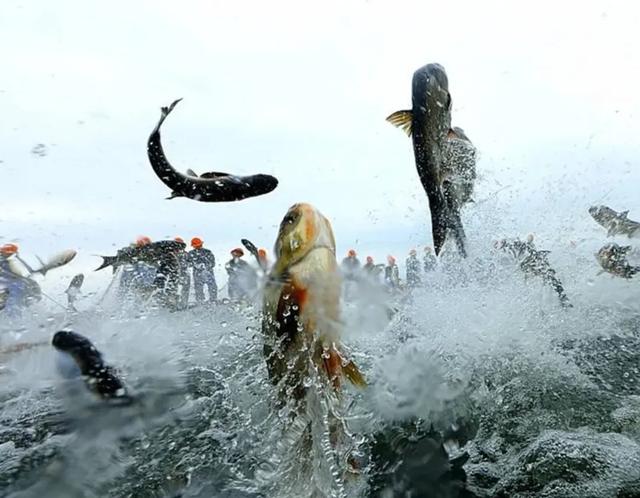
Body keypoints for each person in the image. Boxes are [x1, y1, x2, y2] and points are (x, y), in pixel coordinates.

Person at [0, 243, 41, 314]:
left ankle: (13, 321)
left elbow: (21, 273)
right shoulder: (5, 262)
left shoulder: (14, 261)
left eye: (4, 253)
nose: (2, 255)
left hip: (18, 287)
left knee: (13, 305)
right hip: (12, 289)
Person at [188, 237, 218, 304]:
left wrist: (206, 266)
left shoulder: (208, 252)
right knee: (198, 287)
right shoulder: (190, 253)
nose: (198, 246)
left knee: (212, 286)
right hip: (197, 274)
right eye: (196, 245)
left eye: (199, 245)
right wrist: (195, 265)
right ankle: (200, 300)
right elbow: (188, 263)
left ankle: (213, 299)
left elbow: (213, 263)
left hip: (208, 272)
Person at [174, 236, 191, 308]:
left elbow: (190, 262)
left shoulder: (186, 254)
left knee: (185, 289)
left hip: (184, 273)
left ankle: (184, 303)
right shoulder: (172, 254)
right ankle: (175, 303)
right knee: (174, 289)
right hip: (175, 274)